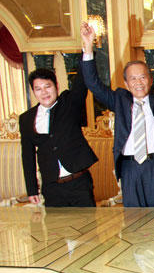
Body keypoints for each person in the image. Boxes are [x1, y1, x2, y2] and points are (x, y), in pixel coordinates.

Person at [80, 23, 154, 207]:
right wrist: (88, 47)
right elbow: (94, 84)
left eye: (143, 77)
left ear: (150, 80)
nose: (139, 83)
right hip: (129, 168)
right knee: (134, 222)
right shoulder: (119, 99)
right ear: (126, 84)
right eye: (133, 79)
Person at [19, 69, 98, 207]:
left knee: (88, 228)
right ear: (33, 92)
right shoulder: (26, 118)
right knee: (55, 228)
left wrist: (87, 53)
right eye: (38, 89)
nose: (44, 93)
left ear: (56, 86)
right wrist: (32, 190)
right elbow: (27, 156)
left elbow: (81, 82)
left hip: (79, 185)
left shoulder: (69, 104)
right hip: (51, 188)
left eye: (47, 86)